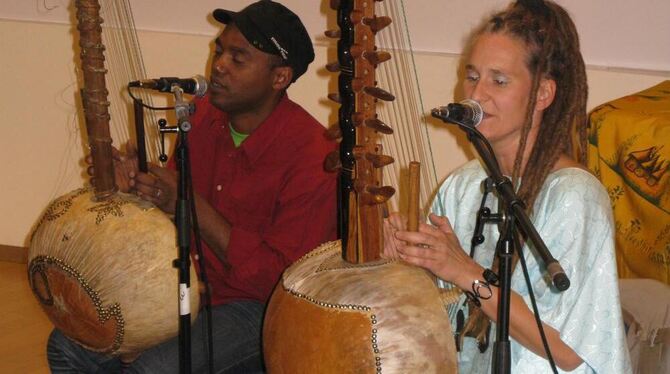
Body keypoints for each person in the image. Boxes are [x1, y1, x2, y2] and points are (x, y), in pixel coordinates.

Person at [47, 1, 337, 372]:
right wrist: (137, 187)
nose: (218, 66)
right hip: (186, 288)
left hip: (259, 309)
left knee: (150, 369)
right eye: (219, 51)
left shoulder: (315, 154)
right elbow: (171, 217)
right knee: (67, 345)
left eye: (238, 58)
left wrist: (186, 200)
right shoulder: (202, 120)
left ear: (279, 77)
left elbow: (281, 281)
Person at [383, 1, 631, 373]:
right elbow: (443, 307)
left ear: (543, 94)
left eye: (498, 80)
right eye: (472, 76)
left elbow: (568, 352)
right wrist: (401, 262)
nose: (476, 94)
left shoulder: (575, 196)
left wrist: (465, 271)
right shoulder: (463, 185)